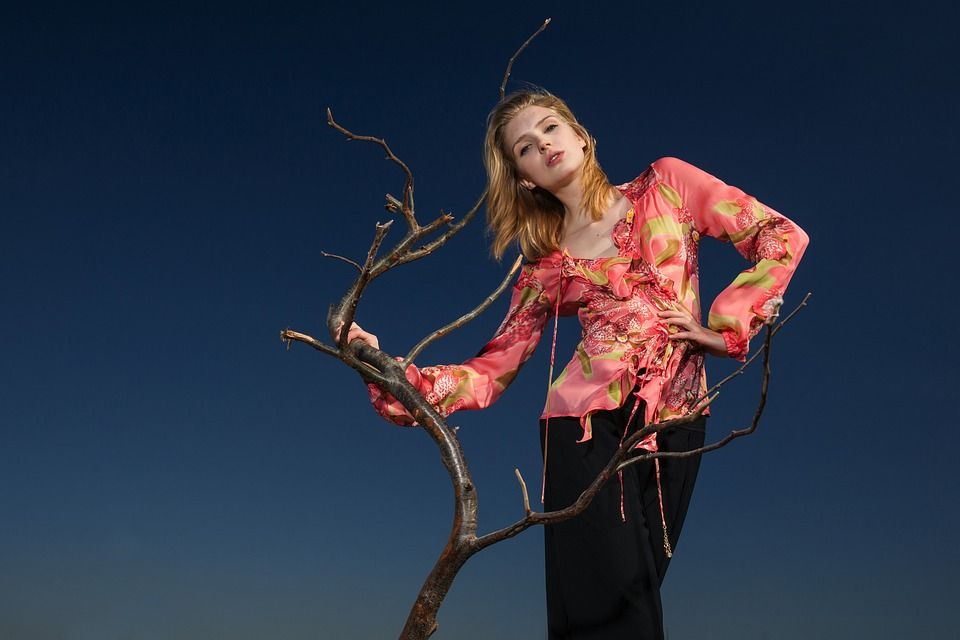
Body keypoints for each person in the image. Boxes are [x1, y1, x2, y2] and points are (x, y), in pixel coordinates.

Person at [337, 90, 809, 639]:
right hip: (581, 429)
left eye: (550, 128)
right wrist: (385, 370)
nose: (543, 145)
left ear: (580, 136)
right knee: (614, 607)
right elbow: (491, 371)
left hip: (679, 422)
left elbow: (779, 236)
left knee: (634, 595)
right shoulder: (547, 265)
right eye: (525, 148)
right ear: (524, 179)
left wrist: (725, 329)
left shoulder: (668, 184)